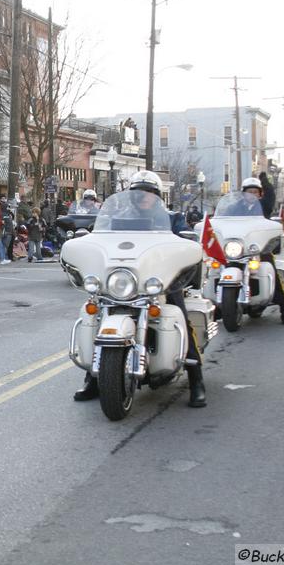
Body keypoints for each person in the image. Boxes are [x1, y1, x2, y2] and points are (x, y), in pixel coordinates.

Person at [73, 171, 207, 408]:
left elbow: (186, 244)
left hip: (160, 282)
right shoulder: (116, 219)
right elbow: (97, 239)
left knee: (182, 320)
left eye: (149, 192)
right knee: (95, 319)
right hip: (123, 283)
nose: (144, 197)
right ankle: (93, 379)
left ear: (157, 195)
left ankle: (196, 380)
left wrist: (188, 243)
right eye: (139, 193)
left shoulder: (172, 219)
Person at [222, 174, 284, 324]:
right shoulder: (234, 207)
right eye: (249, 191)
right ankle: (223, 305)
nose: (252, 194)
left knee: (271, 270)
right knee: (220, 267)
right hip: (239, 248)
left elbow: (271, 196)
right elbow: (223, 219)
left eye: (255, 192)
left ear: (260, 194)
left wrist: (265, 182)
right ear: (243, 193)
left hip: (259, 247)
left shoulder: (264, 206)